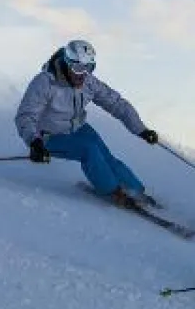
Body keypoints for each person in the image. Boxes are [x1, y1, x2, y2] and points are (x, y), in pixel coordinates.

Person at [14, 39, 160, 207]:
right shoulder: (45, 82)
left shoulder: (88, 82)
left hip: (78, 129)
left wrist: (141, 129)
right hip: (49, 136)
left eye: (88, 68)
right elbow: (25, 116)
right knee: (89, 150)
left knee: (105, 155)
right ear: (67, 63)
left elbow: (117, 104)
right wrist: (35, 142)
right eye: (78, 68)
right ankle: (113, 191)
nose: (82, 74)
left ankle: (136, 191)